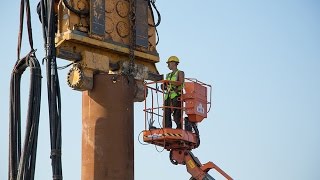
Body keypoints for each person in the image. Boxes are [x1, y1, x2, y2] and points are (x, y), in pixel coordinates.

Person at [163, 56, 185, 129]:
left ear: (174, 63)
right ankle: (167, 128)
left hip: (176, 96)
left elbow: (180, 82)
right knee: (166, 113)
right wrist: (163, 86)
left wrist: (169, 82)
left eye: (169, 63)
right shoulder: (168, 75)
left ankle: (179, 128)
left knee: (177, 114)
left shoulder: (180, 73)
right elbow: (166, 86)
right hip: (168, 96)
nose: (168, 65)